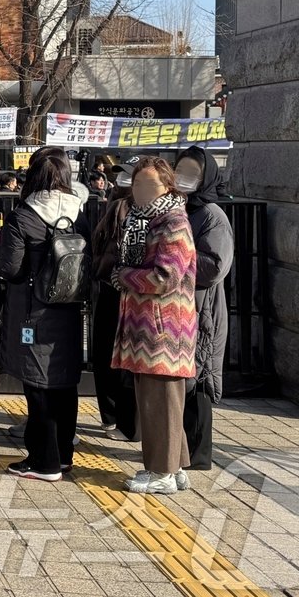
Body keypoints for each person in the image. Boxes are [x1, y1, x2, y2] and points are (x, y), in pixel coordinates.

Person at [0, 147, 89, 482]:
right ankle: (64, 457)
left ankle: (43, 461)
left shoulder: (25, 215)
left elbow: (11, 268)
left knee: (38, 385)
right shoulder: (79, 212)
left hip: (33, 312)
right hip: (69, 310)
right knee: (65, 384)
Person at [111, 156, 198, 495]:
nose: (142, 191)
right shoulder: (145, 219)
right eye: (138, 185)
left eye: (150, 185)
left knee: (160, 398)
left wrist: (123, 276)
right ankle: (174, 468)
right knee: (160, 398)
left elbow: (166, 276)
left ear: (167, 186)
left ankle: (160, 470)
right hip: (147, 324)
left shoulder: (173, 221)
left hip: (164, 327)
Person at [175, 146, 233, 472]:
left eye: (191, 172)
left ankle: (198, 457)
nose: (184, 178)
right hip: (178, 309)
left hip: (203, 310)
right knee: (182, 378)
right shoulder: (179, 209)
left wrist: (173, 261)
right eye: (180, 170)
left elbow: (215, 266)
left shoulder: (212, 215)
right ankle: (180, 451)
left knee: (198, 379)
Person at [90, 184, 137, 438]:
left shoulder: (113, 212)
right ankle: (127, 421)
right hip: (133, 293)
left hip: (110, 288)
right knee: (128, 360)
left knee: (106, 356)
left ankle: (110, 418)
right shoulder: (144, 215)